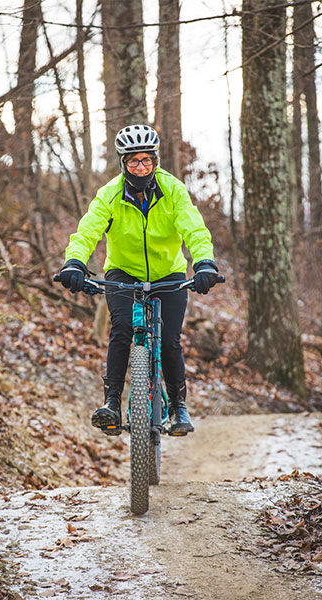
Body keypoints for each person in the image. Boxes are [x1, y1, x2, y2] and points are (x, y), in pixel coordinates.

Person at [59, 124, 218, 436]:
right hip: (122, 273)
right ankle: (112, 404)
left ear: (155, 162)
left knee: (170, 341)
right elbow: (88, 230)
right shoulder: (110, 194)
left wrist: (204, 264)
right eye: (134, 161)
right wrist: (74, 262)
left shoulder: (173, 190)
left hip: (169, 274)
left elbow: (194, 229)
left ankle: (177, 407)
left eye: (147, 160)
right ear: (123, 163)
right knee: (120, 330)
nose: (141, 167)